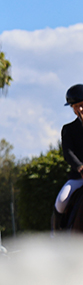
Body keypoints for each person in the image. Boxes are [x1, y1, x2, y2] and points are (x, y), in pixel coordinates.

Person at [54, 84, 83, 226]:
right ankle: (57, 234)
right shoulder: (68, 129)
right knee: (61, 201)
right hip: (78, 177)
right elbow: (68, 152)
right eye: (76, 106)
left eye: (82, 105)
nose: (80, 109)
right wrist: (80, 167)